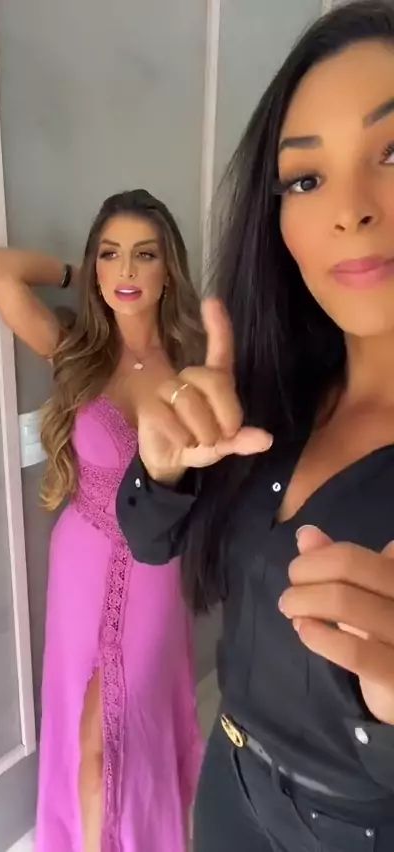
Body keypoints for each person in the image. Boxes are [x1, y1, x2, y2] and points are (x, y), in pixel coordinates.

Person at [116, 3, 394, 850]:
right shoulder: (273, 396)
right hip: (229, 788)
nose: (350, 210)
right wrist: (164, 467)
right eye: (305, 180)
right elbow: (151, 541)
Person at [0, 189, 205, 852]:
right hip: (82, 559)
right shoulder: (76, 348)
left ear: (169, 270)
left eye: (144, 256)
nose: (126, 271)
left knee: (123, 730)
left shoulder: (195, 363)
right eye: (111, 255)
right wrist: (77, 275)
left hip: (155, 565)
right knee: (84, 736)